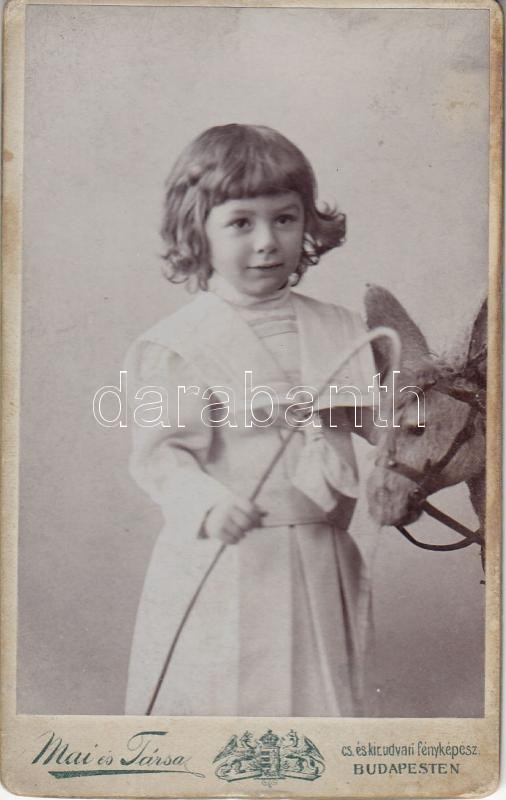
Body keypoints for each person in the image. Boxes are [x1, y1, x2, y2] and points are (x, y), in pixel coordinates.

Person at [124, 124, 376, 717]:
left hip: (321, 555)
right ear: (198, 231)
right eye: (241, 223)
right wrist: (208, 505)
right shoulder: (181, 343)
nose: (267, 241)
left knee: (320, 705)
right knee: (232, 703)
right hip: (230, 559)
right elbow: (162, 456)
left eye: (284, 218)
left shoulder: (341, 327)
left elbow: (383, 426)